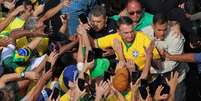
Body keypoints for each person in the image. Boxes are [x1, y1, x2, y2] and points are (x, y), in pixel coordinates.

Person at [79, 16, 160, 70]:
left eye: (132, 31)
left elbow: (158, 64)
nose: (130, 35)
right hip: (121, 73)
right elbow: (94, 43)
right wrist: (84, 32)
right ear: (118, 31)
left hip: (141, 75)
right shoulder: (114, 38)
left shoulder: (144, 39)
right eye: (126, 33)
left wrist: (150, 58)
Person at [142, 13, 189, 101]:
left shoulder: (175, 37)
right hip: (156, 79)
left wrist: (148, 67)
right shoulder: (145, 32)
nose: (162, 33)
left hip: (175, 77)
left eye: (165, 29)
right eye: (159, 30)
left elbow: (171, 64)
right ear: (153, 26)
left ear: (168, 25)